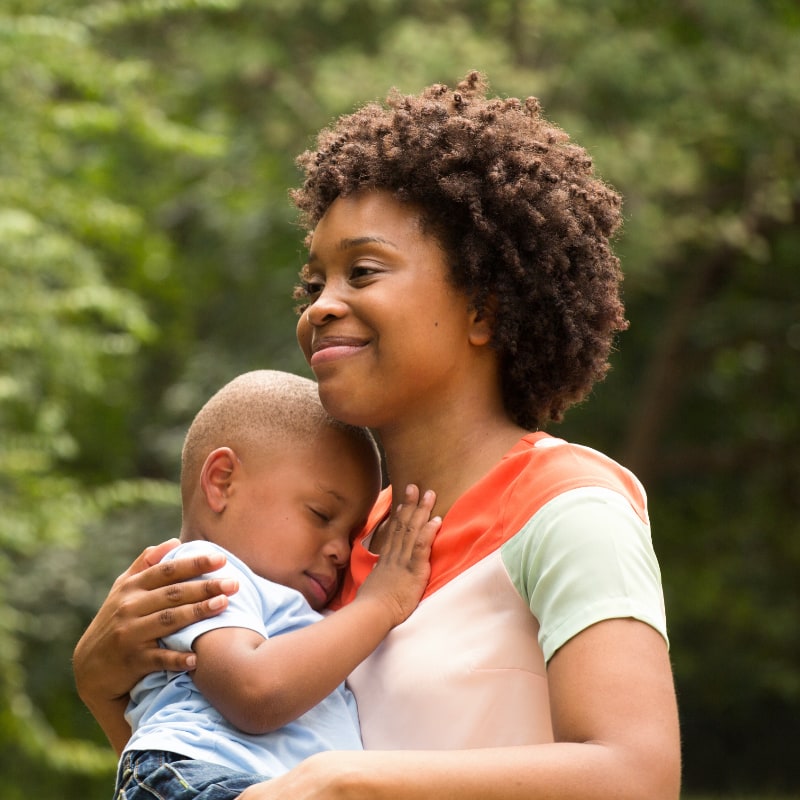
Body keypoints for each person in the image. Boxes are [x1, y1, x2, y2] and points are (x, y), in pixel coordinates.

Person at [74, 72, 681, 799]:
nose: (323, 307)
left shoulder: (570, 507)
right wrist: (105, 689)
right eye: (314, 284)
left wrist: (345, 782)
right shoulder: (340, 549)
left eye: (362, 271)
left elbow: (637, 777)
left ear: (483, 309)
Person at [110, 369, 440, 799]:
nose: (341, 550)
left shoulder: (298, 606)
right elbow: (255, 693)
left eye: (352, 534)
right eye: (322, 515)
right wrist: (381, 603)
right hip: (196, 775)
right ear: (222, 481)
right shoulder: (203, 570)